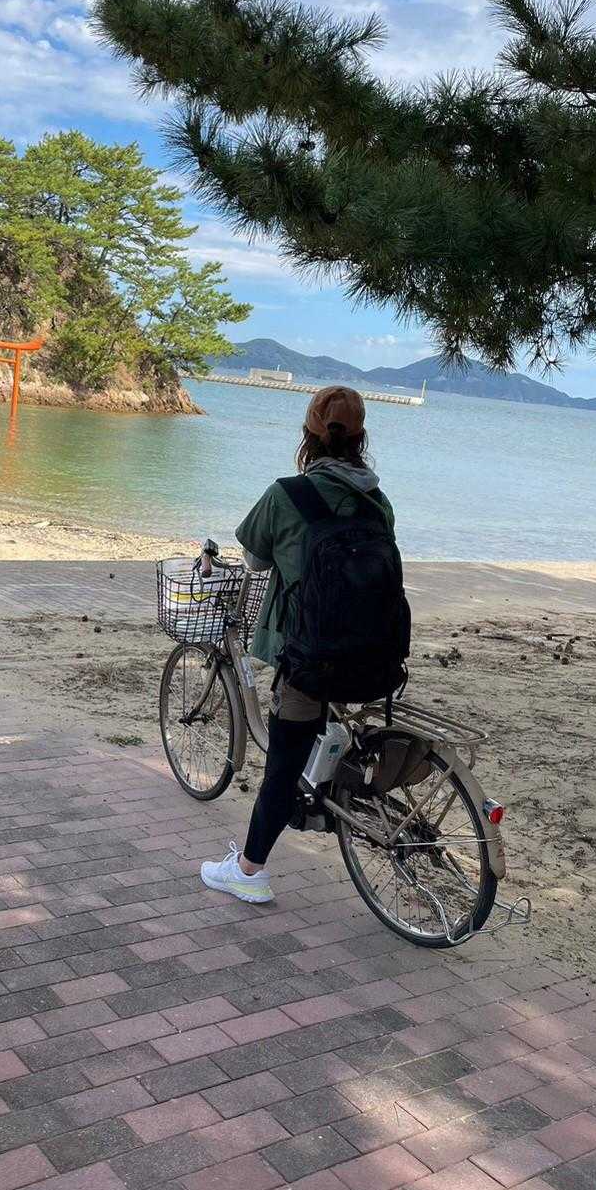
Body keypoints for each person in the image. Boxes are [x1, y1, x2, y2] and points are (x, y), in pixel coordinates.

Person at [199, 385, 396, 904]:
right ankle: (331, 787)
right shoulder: (378, 501)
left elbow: (255, 560)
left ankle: (249, 871)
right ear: (361, 438)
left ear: (308, 436)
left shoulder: (286, 494)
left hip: (311, 658)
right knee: (326, 732)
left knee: (282, 766)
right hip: (376, 656)